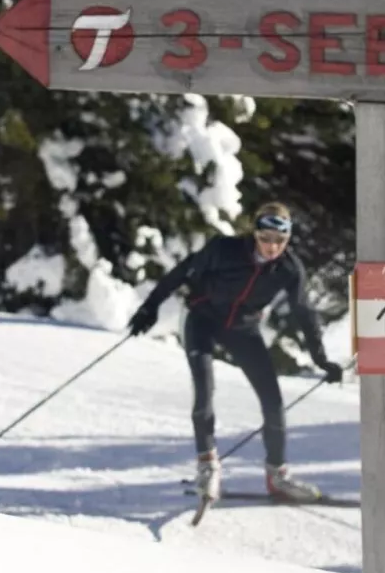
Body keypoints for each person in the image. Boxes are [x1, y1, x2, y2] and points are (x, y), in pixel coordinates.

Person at [126, 201, 343, 503]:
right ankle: (207, 466)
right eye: (265, 238)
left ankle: (277, 476)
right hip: (201, 318)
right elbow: (182, 271)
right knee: (204, 389)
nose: (271, 247)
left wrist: (321, 359)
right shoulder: (224, 249)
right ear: (254, 234)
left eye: (279, 241)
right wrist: (149, 307)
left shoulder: (289, 269)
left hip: (242, 329)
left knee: (273, 400)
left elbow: (304, 312)